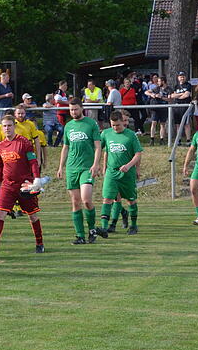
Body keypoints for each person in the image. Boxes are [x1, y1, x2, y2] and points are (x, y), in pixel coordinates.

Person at [0, 115, 45, 258]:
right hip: (8, 185)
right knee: (0, 214)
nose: (7, 128)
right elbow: (0, 166)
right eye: (4, 126)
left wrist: (36, 179)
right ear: (1, 128)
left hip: (24, 185)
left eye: (9, 125)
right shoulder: (0, 145)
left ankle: (39, 243)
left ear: (14, 126)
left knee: (32, 215)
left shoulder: (24, 142)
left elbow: (33, 161)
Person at [57, 98, 102, 244]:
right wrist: (60, 167)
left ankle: (92, 229)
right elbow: (65, 147)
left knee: (86, 200)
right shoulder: (68, 126)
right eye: (71, 110)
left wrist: (96, 164)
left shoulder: (91, 124)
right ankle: (80, 236)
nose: (73, 112)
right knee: (75, 202)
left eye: (76, 109)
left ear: (81, 108)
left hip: (87, 168)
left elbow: (98, 146)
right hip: (72, 168)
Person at [100, 111, 143, 235]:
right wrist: (100, 166)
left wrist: (129, 166)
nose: (115, 128)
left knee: (130, 200)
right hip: (112, 172)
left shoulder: (130, 135)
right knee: (108, 198)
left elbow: (138, 153)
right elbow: (101, 149)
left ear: (122, 122)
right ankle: (104, 228)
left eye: (117, 125)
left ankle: (133, 226)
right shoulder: (106, 134)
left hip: (127, 173)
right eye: (113, 125)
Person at [145, 76, 171, 146]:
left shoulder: (168, 89)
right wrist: (152, 94)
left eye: (159, 81)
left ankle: (162, 139)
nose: (158, 82)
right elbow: (146, 92)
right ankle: (152, 139)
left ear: (163, 81)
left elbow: (170, 99)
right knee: (154, 123)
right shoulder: (156, 88)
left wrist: (162, 97)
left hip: (164, 108)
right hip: (155, 108)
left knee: (162, 124)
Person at [170, 71, 193, 142]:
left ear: (185, 77)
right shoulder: (176, 86)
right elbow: (172, 95)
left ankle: (188, 140)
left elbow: (187, 95)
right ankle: (178, 140)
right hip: (177, 106)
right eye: (180, 76)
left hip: (186, 106)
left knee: (186, 124)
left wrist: (178, 95)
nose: (182, 78)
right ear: (178, 78)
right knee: (178, 124)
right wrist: (182, 94)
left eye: (183, 76)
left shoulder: (188, 85)